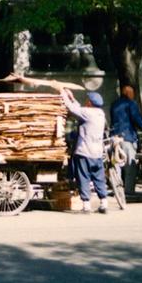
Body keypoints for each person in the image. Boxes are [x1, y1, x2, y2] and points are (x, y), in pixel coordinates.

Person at [54, 85, 109, 214]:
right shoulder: (101, 114)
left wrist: (62, 93)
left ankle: (86, 205)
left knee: (83, 177)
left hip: (84, 151)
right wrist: (72, 97)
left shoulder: (87, 113)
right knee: (99, 177)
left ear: (89, 103)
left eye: (87, 100)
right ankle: (104, 203)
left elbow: (73, 109)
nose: (86, 102)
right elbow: (80, 108)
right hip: (97, 153)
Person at [110, 85, 142, 195]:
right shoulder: (131, 104)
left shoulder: (114, 104)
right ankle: (129, 191)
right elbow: (136, 119)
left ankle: (117, 190)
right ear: (129, 93)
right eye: (132, 93)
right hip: (127, 137)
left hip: (114, 137)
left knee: (117, 164)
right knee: (130, 165)